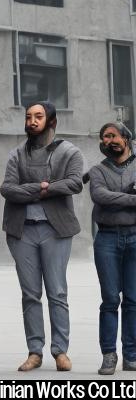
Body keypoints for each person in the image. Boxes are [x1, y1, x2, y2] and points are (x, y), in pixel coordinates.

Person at [1, 101, 83, 373]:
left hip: (55, 230)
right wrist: (43, 187)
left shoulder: (69, 151)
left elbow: (74, 183)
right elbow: (8, 189)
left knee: (57, 292)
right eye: (28, 117)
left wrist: (34, 190)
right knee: (30, 293)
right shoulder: (16, 154)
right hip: (22, 230)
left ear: (52, 122)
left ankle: (61, 351)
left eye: (38, 116)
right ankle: (34, 351)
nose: (32, 121)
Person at [86, 122, 136, 375]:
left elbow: (109, 198)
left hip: (135, 237)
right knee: (109, 300)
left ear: (126, 139)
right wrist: (132, 198)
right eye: (105, 137)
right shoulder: (97, 170)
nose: (110, 141)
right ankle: (108, 354)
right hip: (107, 239)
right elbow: (100, 196)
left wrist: (117, 201)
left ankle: (132, 355)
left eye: (114, 136)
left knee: (133, 300)